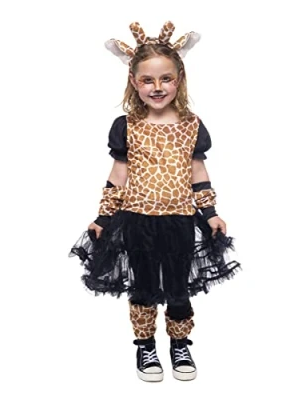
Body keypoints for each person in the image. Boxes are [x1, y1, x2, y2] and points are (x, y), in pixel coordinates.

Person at [69, 21, 241, 382]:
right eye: (148, 80)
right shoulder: (127, 125)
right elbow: (118, 174)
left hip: (180, 219)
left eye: (165, 79)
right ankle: (146, 345)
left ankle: (179, 344)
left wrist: (210, 213)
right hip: (137, 219)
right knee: (144, 286)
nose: (157, 87)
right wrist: (103, 217)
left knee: (178, 286)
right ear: (134, 82)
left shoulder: (191, 125)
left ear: (179, 79)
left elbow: (198, 172)